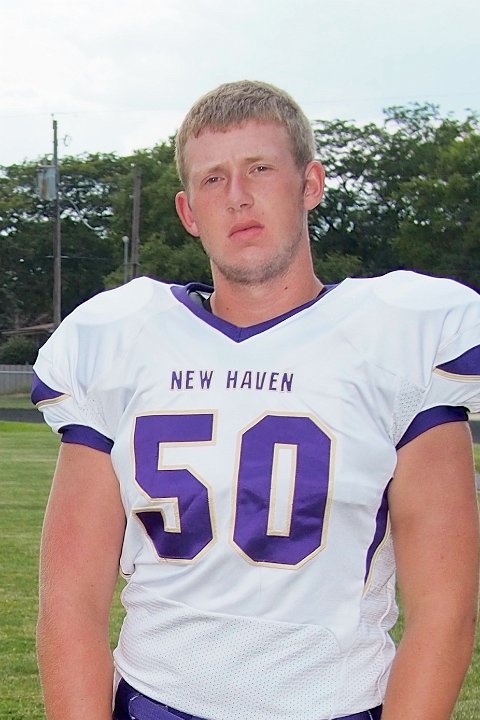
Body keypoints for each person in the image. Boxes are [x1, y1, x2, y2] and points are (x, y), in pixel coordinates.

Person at [32, 80, 480, 720]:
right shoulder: (120, 340)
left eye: (260, 169)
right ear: (189, 212)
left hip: (333, 703)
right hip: (156, 702)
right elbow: (70, 600)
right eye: (213, 179)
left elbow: (444, 610)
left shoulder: (398, 337)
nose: (237, 195)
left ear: (310, 184)